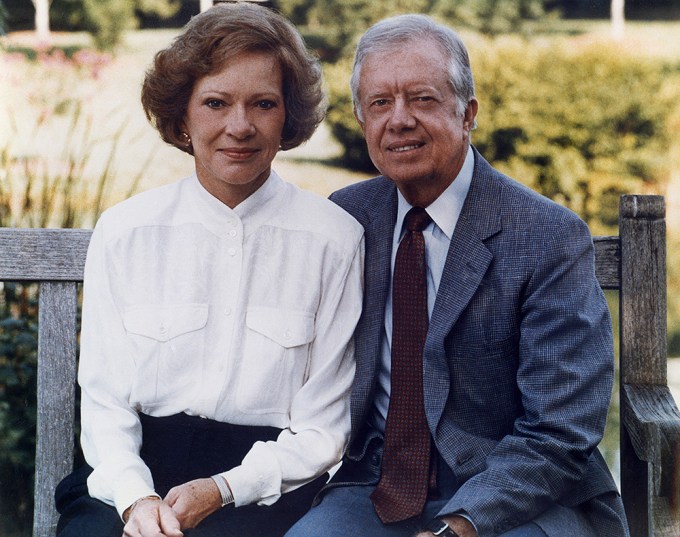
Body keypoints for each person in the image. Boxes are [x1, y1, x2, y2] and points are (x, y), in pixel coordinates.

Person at [285, 13, 630, 537]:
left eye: (422, 99)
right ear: (361, 121)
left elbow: (560, 428)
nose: (398, 120)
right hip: (375, 486)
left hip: (519, 492)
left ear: (467, 114)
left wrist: (464, 524)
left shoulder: (547, 235)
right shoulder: (348, 217)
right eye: (380, 103)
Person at [54, 4, 363, 537]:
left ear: (288, 117)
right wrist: (136, 499)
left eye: (263, 104)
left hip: (266, 486)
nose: (238, 127)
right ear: (182, 118)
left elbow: (323, 429)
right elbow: (105, 400)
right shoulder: (127, 231)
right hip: (132, 471)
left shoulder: (333, 240)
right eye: (215, 103)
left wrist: (224, 489)